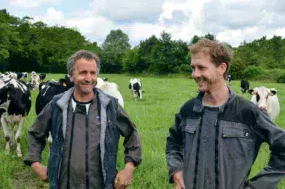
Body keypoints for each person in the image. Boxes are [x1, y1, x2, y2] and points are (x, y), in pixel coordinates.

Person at [166, 39, 285, 189]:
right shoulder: (188, 110)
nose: (194, 74)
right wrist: (176, 169)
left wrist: (259, 186)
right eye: (193, 68)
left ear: (222, 68)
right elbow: (173, 142)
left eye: (201, 68)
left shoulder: (247, 112)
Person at [24, 50, 142, 189]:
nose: (88, 78)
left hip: (103, 184)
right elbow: (35, 133)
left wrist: (129, 168)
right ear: (71, 76)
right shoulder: (57, 105)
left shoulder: (110, 106)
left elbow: (132, 133)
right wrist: (36, 163)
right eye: (82, 73)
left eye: (92, 73)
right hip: (63, 184)